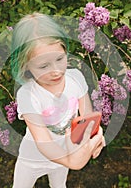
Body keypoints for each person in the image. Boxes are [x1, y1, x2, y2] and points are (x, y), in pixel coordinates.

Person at [10, 12, 105, 188]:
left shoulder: (75, 78)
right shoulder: (27, 94)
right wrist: (73, 162)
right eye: (43, 66)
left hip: (65, 151)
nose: (55, 71)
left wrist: (96, 137)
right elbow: (43, 142)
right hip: (33, 158)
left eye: (60, 59)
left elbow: (88, 117)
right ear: (25, 66)